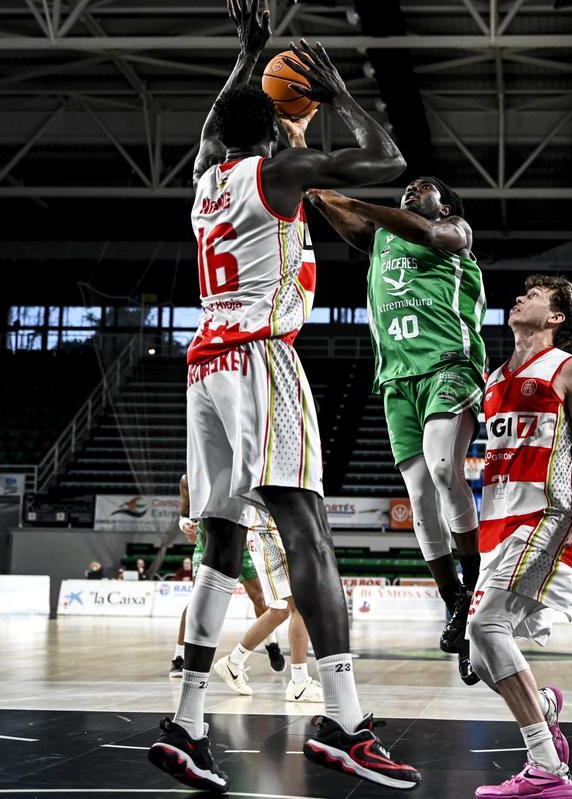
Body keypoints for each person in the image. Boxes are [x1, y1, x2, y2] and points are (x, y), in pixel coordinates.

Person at [147, 0, 417, 792]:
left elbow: (210, 129)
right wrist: (336, 97)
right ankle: (344, 721)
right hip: (262, 356)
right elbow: (390, 160)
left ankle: (188, 723)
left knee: (222, 546)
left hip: (205, 368)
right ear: (269, 131)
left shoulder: (204, 180)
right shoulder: (278, 170)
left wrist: (247, 54)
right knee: (309, 533)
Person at [307, 175, 485, 685]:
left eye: (425, 187)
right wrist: (319, 198)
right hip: (396, 377)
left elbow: (425, 234)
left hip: (449, 363)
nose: (412, 191)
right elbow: (356, 228)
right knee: (418, 493)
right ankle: (456, 605)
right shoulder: (381, 237)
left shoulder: (455, 230)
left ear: (445, 202)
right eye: (407, 188)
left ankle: (469, 594)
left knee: (444, 464)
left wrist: (353, 200)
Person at [466, 275, 572, 799]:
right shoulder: (495, 375)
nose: (520, 297)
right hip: (496, 523)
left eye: (535, 295)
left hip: (545, 515)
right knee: (480, 656)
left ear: (556, 318)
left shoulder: (570, 370)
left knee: (486, 628)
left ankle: (547, 768)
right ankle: (543, 706)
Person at [172, 474, 286, 681]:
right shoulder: (189, 479)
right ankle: (179, 657)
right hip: (208, 545)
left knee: (260, 598)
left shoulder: (247, 473)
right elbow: (184, 514)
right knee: (196, 604)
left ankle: (271, 643)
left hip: (243, 545)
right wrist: (186, 525)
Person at [211, 506, 324, 703]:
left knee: (280, 611)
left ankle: (232, 662)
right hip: (270, 531)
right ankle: (299, 684)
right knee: (301, 605)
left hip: (272, 530)